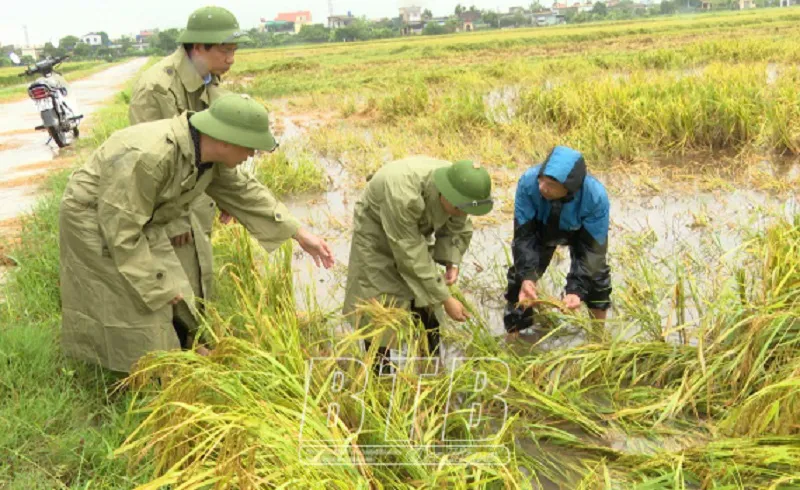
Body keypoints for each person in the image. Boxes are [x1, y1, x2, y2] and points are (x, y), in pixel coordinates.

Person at [59, 94, 334, 373]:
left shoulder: (206, 152)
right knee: (135, 295)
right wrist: (157, 286)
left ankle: (184, 352)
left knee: (176, 287)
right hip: (94, 217)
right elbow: (120, 229)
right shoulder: (150, 157)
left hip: (141, 216)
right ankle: (149, 372)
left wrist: (300, 235)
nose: (252, 155)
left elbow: (245, 192)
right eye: (250, 148)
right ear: (225, 140)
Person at [129, 5, 248, 305]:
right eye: (224, 51)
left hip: (196, 199)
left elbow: (217, 146)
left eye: (234, 50)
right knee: (177, 283)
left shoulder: (208, 80)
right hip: (171, 207)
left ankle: (200, 342)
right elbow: (150, 162)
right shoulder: (158, 88)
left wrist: (226, 197)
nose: (231, 59)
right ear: (197, 47)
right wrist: (176, 221)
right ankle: (186, 346)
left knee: (200, 274)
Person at [343, 156, 493, 370]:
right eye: (459, 208)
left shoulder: (460, 190)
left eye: (466, 209)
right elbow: (410, 254)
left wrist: (453, 261)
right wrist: (445, 298)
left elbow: (458, 226)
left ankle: (430, 363)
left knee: (424, 299)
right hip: (375, 230)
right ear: (445, 193)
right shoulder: (403, 194)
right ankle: (380, 370)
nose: (462, 213)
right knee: (378, 298)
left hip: (410, 228)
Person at [504, 146, 611, 333]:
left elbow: (592, 250)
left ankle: (598, 336)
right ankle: (514, 338)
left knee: (597, 278)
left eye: (551, 185)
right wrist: (528, 276)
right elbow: (524, 236)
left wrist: (576, 290)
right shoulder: (528, 183)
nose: (542, 188)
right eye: (542, 180)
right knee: (519, 280)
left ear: (569, 188)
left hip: (580, 231)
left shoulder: (595, 197)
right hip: (540, 227)